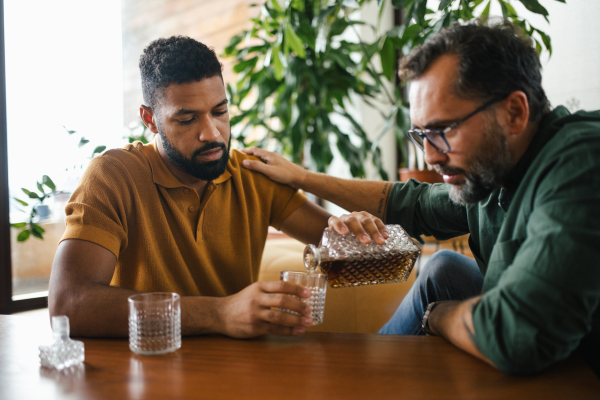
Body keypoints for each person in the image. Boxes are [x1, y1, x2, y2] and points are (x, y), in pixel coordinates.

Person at [241, 21, 600, 375]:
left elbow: (514, 336)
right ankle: (360, 381)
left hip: (581, 370)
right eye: (421, 134)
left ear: (515, 113)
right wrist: (302, 178)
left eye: (443, 131)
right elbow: (411, 203)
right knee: (444, 268)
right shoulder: (496, 171)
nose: (429, 156)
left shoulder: (581, 165)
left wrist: (437, 315)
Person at [48, 36, 334, 339]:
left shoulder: (253, 175)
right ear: (150, 120)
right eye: (187, 119)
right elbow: (67, 306)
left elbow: (349, 249)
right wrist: (220, 313)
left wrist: (352, 226)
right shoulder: (112, 177)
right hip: (145, 373)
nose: (212, 134)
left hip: (242, 373)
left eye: (220, 111)